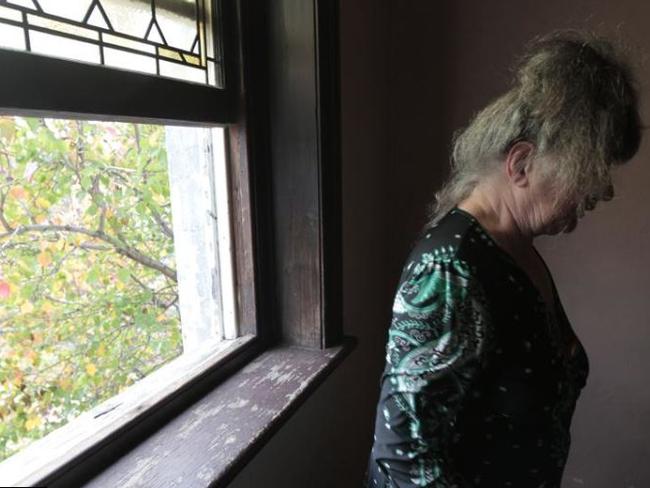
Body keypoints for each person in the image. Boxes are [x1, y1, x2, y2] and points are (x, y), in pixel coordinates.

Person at [365, 29, 643, 487]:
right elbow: (404, 463)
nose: (600, 191)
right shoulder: (451, 268)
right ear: (520, 164)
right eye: (587, 172)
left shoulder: (513, 249)